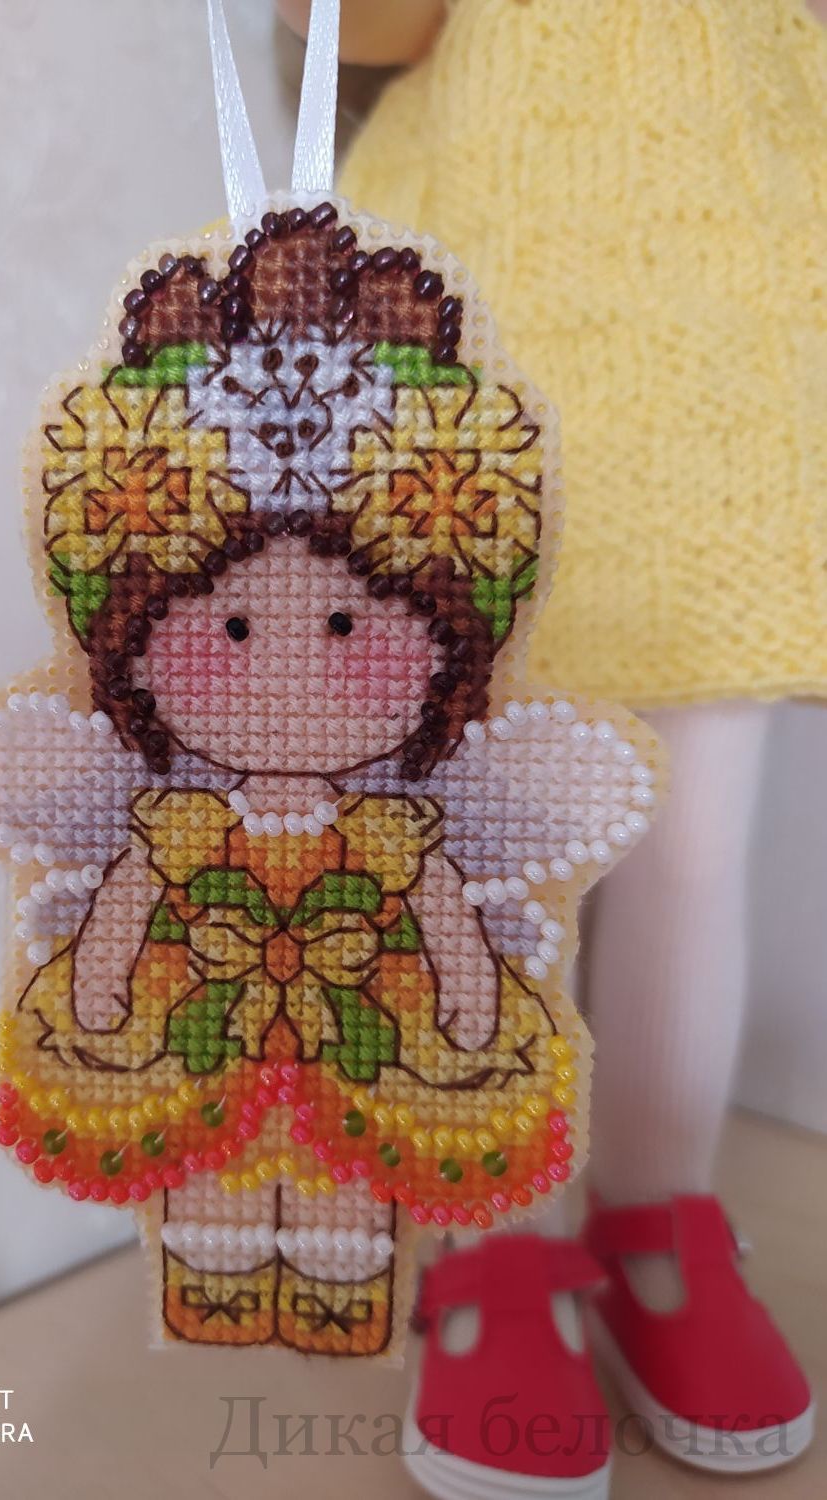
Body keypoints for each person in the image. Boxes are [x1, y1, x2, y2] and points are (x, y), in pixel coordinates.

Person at [279, 0, 827, 1492]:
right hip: (483, 286)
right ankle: (492, 1235)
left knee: (691, 832)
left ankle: (657, 1222)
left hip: (742, 300)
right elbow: (359, 31)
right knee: (482, 833)